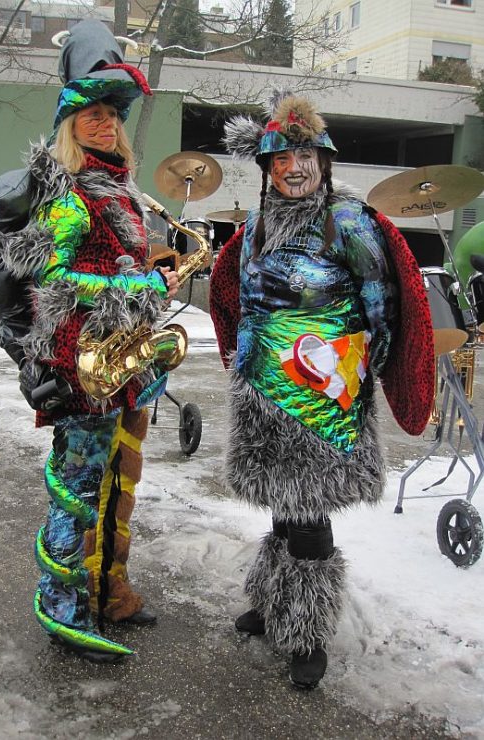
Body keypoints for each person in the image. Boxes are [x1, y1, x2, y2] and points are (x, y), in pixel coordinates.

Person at [209, 92, 435, 688]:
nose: (294, 168)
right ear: (267, 168)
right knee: (282, 504)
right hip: (262, 389)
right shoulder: (255, 225)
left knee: (308, 513)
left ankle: (306, 630)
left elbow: (382, 307)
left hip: (321, 391)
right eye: (281, 159)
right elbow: (239, 295)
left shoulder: (350, 222)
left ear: (324, 162)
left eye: (304, 156)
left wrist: (356, 375)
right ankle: (271, 599)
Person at [0, 21, 179, 662]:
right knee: (77, 488)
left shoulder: (119, 187)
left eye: (112, 114)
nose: (105, 124)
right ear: (70, 124)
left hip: (123, 360)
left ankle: (108, 592)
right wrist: (143, 284)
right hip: (83, 364)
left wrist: (156, 277)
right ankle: (61, 608)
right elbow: (55, 279)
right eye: (92, 114)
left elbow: (116, 263)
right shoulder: (68, 193)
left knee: (116, 484)